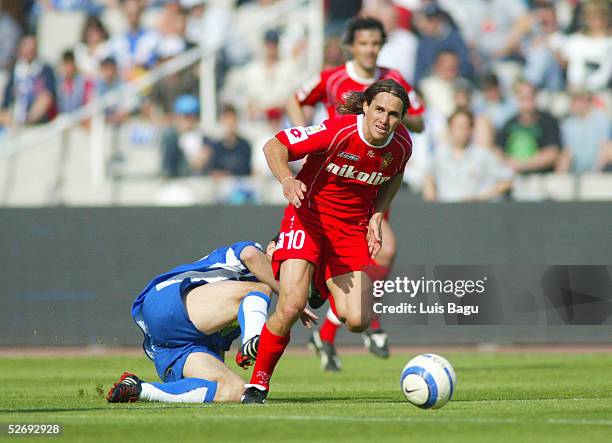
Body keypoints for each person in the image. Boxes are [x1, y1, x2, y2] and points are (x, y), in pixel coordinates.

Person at [241, 79, 413, 404]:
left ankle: (318, 281)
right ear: (365, 106)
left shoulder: (401, 146)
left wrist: (377, 214)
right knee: (291, 305)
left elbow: (396, 174)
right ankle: (258, 384)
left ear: (401, 118)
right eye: (379, 109)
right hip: (308, 218)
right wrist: (287, 179)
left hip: (350, 231)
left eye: (393, 114)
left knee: (359, 322)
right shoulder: (337, 131)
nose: (384, 119)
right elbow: (273, 146)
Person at [286, 16, 424, 370]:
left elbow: (420, 121)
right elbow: (296, 98)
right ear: (351, 46)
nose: (370, 49)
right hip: (337, 176)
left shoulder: (393, 80)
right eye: (363, 43)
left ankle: (339, 325)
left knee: (382, 251)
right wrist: (306, 134)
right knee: (383, 249)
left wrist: (392, 116)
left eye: (376, 43)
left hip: (374, 175)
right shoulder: (332, 77)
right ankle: (361, 323)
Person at [107, 239, 317, 404]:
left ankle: (140, 389)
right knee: (260, 289)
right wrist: (287, 295)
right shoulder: (256, 256)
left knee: (234, 389)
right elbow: (250, 255)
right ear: (272, 247)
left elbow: (216, 345)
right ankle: (253, 339)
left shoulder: (252, 307)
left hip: (172, 348)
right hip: (169, 300)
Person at [423, 109, 513, 202]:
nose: (462, 132)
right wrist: (431, 196)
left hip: (475, 211)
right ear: (450, 128)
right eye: (458, 127)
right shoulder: (439, 155)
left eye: (466, 127)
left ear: (471, 130)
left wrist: (481, 198)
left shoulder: (483, 155)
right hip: (445, 211)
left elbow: (507, 181)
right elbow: (428, 176)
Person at [496, 80, 560, 174]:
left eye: (529, 96)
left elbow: (552, 153)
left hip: (540, 177)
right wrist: (508, 163)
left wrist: (523, 165)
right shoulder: (509, 124)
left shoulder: (548, 122)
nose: (526, 100)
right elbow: (499, 151)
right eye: (523, 96)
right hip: (512, 175)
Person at [0, 35, 56, 127]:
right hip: (13, 124)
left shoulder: (45, 70)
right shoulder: (15, 70)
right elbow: (6, 101)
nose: (30, 49)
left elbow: (46, 97)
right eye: (27, 45)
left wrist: (28, 120)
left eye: (33, 46)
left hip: (35, 124)